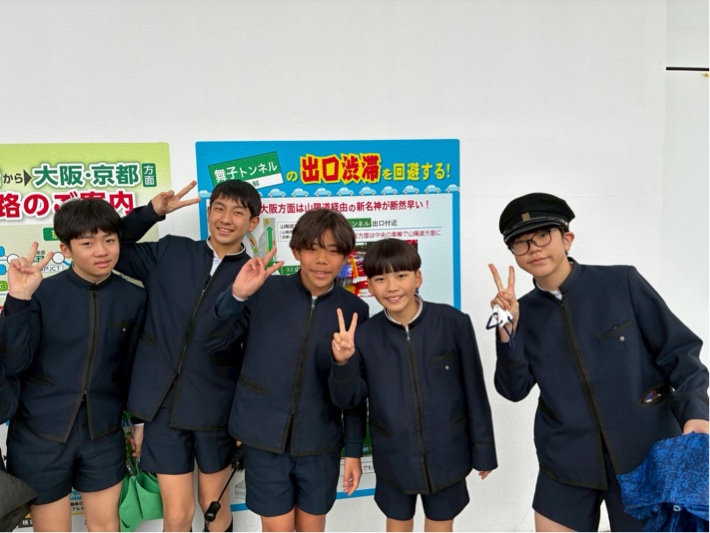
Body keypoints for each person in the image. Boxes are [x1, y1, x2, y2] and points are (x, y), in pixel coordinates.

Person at [488, 192, 709, 532]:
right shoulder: (522, 312)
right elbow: (513, 390)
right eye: (520, 242)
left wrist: (696, 412)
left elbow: (680, 352)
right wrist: (508, 330)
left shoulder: (622, 283)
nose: (533, 248)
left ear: (567, 239)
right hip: (566, 459)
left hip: (644, 454)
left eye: (543, 235)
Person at [205, 208, 369, 532]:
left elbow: (354, 396)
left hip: (320, 442)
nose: (322, 259)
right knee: (277, 528)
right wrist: (236, 295)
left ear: (345, 256)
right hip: (263, 439)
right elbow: (213, 343)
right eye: (312, 248)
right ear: (296, 251)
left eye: (333, 250)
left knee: (311, 526)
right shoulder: (265, 291)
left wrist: (353, 450)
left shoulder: (355, 310)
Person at [115, 179, 260, 532]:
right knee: (177, 514)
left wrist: (245, 420)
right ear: (208, 213)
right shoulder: (171, 251)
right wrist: (151, 213)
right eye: (219, 209)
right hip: (162, 407)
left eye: (237, 212)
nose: (225, 219)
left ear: (252, 222)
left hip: (216, 408)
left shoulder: (255, 278)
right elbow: (112, 246)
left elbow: (255, 356)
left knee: (213, 505)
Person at [328, 238, 497, 532]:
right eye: (381, 279)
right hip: (393, 456)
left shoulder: (453, 322)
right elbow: (352, 403)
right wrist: (342, 363)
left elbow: (475, 390)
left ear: (417, 278)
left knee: (441, 525)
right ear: (370, 286)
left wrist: (483, 450)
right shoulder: (364, 336)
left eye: (401, 275)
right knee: (397, 524)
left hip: (448, 453)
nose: (392, 287)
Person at [0, 198, 146, 531]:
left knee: (106, 527)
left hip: (103, 432)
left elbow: (133, 367)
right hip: (40, 434)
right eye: (87, 243)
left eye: (109, 240)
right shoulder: (39, 292)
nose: (102, 251)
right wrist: (18, 298)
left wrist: (139, 421)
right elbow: (13, 362)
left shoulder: (133, 297)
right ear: (66, 249)